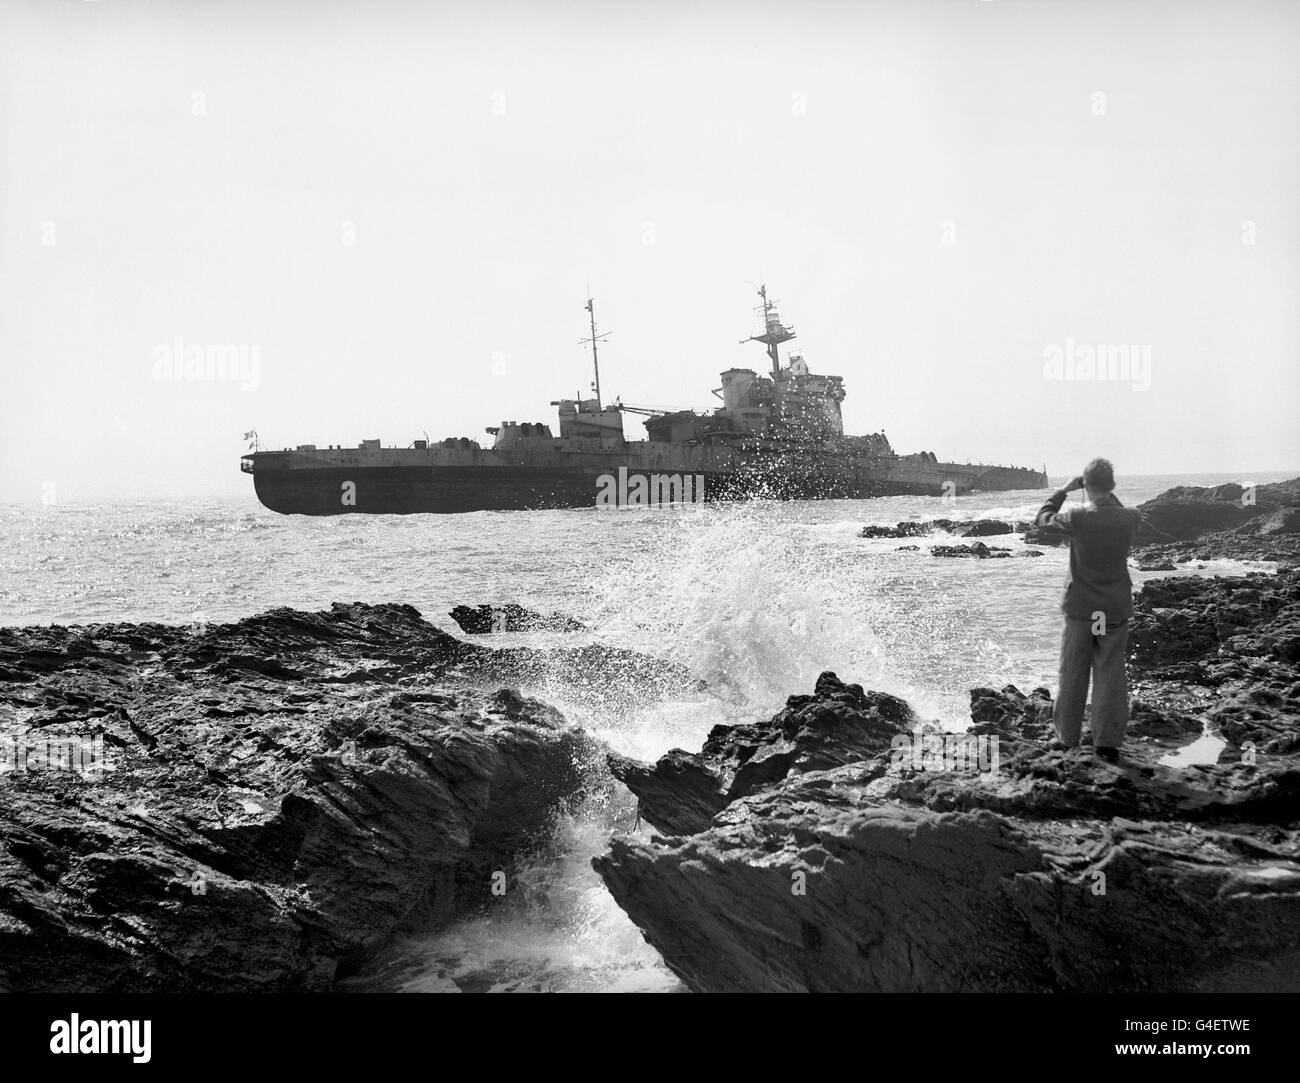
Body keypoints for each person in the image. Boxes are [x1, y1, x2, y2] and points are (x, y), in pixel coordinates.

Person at [1035, 458, 1143, 763]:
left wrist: (1064, 491)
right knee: (1110, 673)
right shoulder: (1130, 517)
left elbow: (1042, 519)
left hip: (1082, 609)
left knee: (1073, 673)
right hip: (1113, 609)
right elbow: (1120, 510)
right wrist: (1106, 493)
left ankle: (1067, 739)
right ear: (1112, 486)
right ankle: (1106, 742)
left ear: (1087, 484)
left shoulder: (1079, 518)